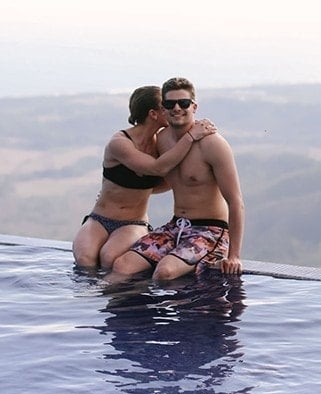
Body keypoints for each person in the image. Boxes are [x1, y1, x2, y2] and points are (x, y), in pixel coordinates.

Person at [108, 77, 244, 282]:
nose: (177, 108)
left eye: (184, 103)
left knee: (165, 272)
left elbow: (236, 202)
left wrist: (234, 256)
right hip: (176, 226)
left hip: (210, 231)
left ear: (194, 106)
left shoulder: (213, 145)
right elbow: (153, 173)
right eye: (170, 104)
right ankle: (99, 306)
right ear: (162, 109)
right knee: (122, 266)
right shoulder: (162, 140)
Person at [72, 85, 216, 270]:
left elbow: (169, 179)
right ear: (154, 113)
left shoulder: (161, 145)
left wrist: (141, 189)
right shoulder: (120, 143)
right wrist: (190, 137)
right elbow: (158, 168)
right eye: (166, 106)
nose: (172, 110)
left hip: (134, 222)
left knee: (109, 258)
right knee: (85, 259)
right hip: (99, 219)